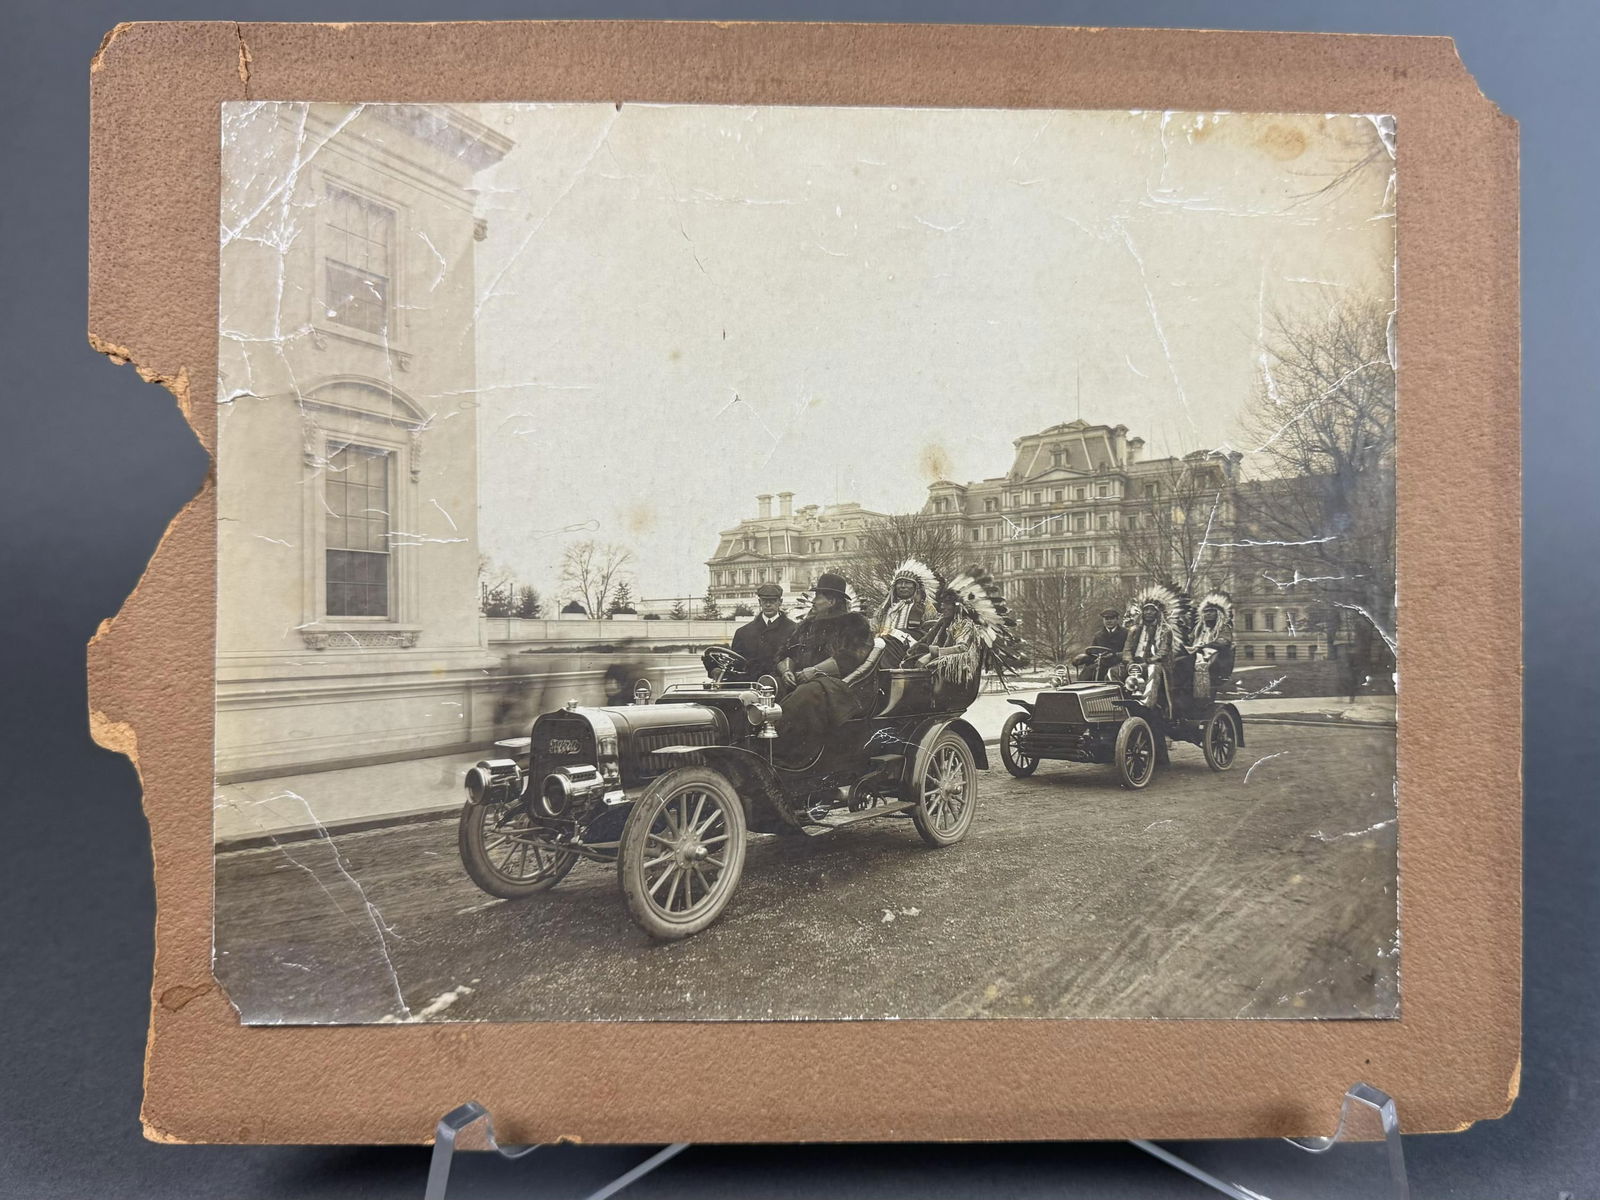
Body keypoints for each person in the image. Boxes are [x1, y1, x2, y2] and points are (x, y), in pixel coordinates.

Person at [772, 573, 877, 755]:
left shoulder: (854, 622)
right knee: (768, 685)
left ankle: (778, 745)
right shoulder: (807, 624)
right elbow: (786, 651)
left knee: (808, 692)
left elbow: (852, 657)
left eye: (818, 597)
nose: (814, 601)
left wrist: (814, 671)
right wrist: (786, 671)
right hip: (805, 680)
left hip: (842, 686)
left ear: (832, 601)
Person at [1120, 584, 1189, 718]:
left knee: (1153, 670)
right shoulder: (1134, 630)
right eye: (1146, 610)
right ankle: (1118, 704)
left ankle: (1146, 704)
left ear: (1158, 612)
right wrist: (1129, 662)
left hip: (1157, 664)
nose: (1149, 613)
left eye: (1152, 610)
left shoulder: (1165, 630)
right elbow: (1127, 649)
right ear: (1142, 612)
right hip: (1134, 664)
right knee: (1112, 672)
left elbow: (1163, 651)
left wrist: (1148, 661)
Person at [729, 583, 797, 682]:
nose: (768, 605)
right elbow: (736, 664)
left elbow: (797, 660)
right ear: (759, 602)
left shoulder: (794, 629)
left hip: (781, 686)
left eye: (772, 601)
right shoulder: (743, 632)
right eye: (764, 601)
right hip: (750, 686)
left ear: (780, 602)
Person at [1185, 592, 1234, 701]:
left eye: (1211, 611)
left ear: (1218, 613)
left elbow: (1224, 642)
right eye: (1206, 612)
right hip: (1196, 655)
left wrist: (1203, 647)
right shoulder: (1198, 628)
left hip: (1216, 660)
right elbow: (1190, 640)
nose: (1208, 614)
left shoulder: (1223, 628)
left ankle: (1201, 698)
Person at [872, 559, 938, 639]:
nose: (903, 586)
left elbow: (931, 631)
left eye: (907, 582)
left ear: (915, 587)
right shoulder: (885, 607)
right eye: (899, 583)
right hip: (883, 645)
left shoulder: (925, 607)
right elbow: (873, 628)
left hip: (911, 647)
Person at [1072, 608, 1129, 681]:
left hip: (1117, 663)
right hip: (1101, 663)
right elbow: (1093, 651)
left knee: (1111, 674)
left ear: (1117, 619)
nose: (1109, 621)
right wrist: (1083, 657)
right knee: (1088, 671)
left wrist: (1114, 655)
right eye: (1106, 619)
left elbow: (1128, 652)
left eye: (1111, 618)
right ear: (1103, 620)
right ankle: (1079, 688)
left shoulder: (1125, 633)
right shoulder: (1098, 635)